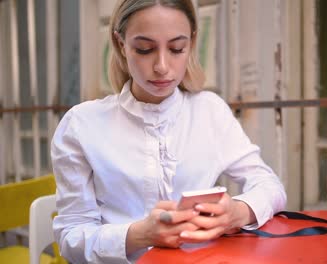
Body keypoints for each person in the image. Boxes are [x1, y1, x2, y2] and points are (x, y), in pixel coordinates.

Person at [51, 0, 286, 263]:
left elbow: (270, 186)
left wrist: (237, 212)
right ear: (120, 45)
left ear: (191, 43)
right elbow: (70, 238)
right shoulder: (81, 124)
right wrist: (140, 235)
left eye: (177, 48)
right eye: (145, 49)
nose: (162, 66)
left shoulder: (210, 111)